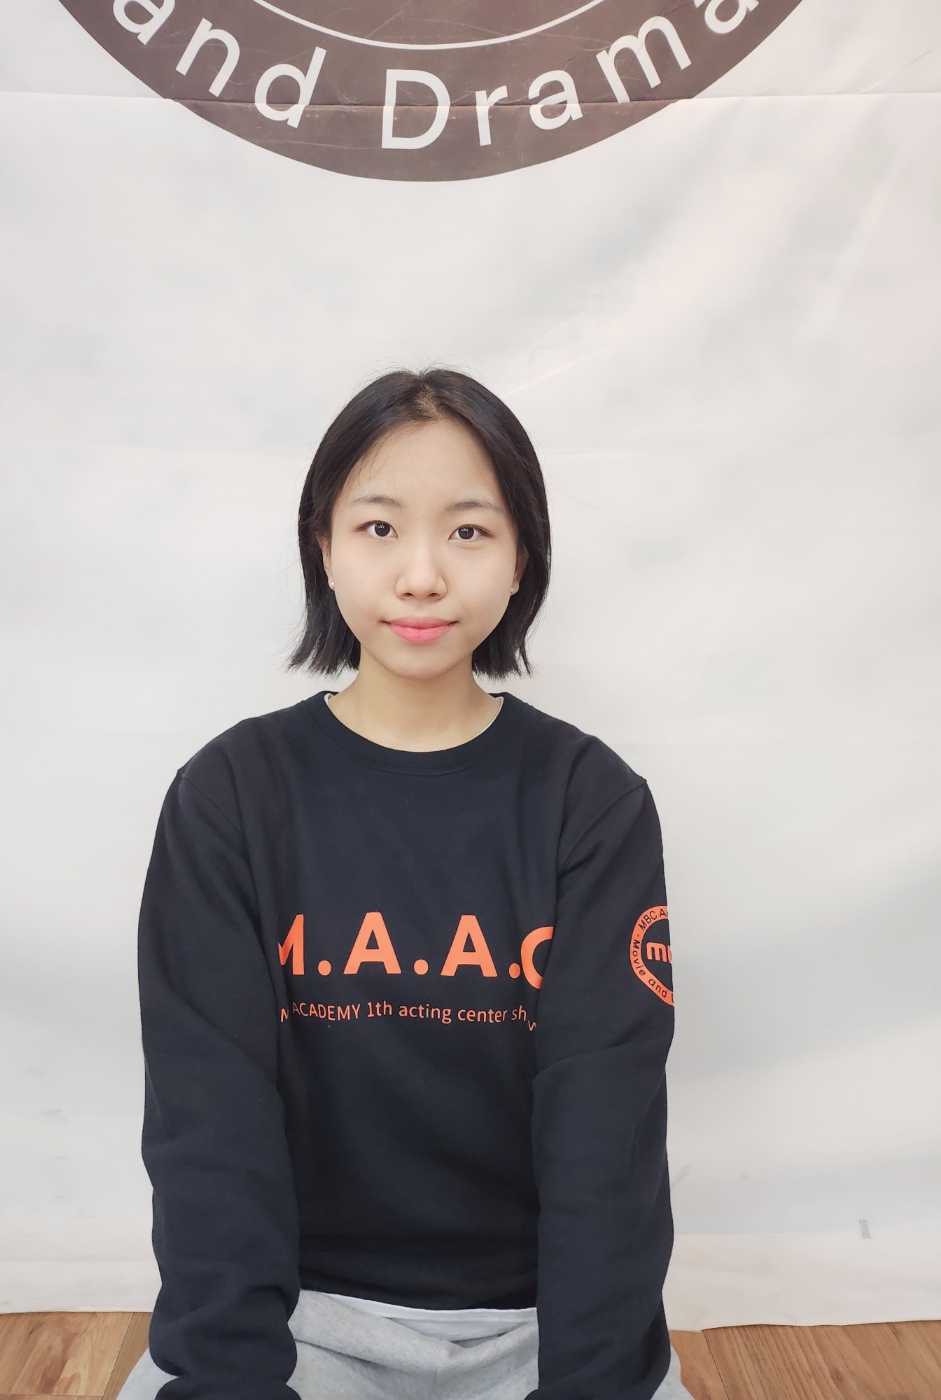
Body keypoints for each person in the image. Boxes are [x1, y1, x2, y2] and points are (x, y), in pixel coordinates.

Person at [119, 367, 693, 1400]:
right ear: (324, 547)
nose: (421, 576)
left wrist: (591, 1379)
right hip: (302, 1316)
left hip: (538, 1323)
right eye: (379, 528)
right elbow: (209, 1127)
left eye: (469, 531)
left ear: (521, 559)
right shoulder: (231, 795)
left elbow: (607, 1135)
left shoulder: (591, 800)